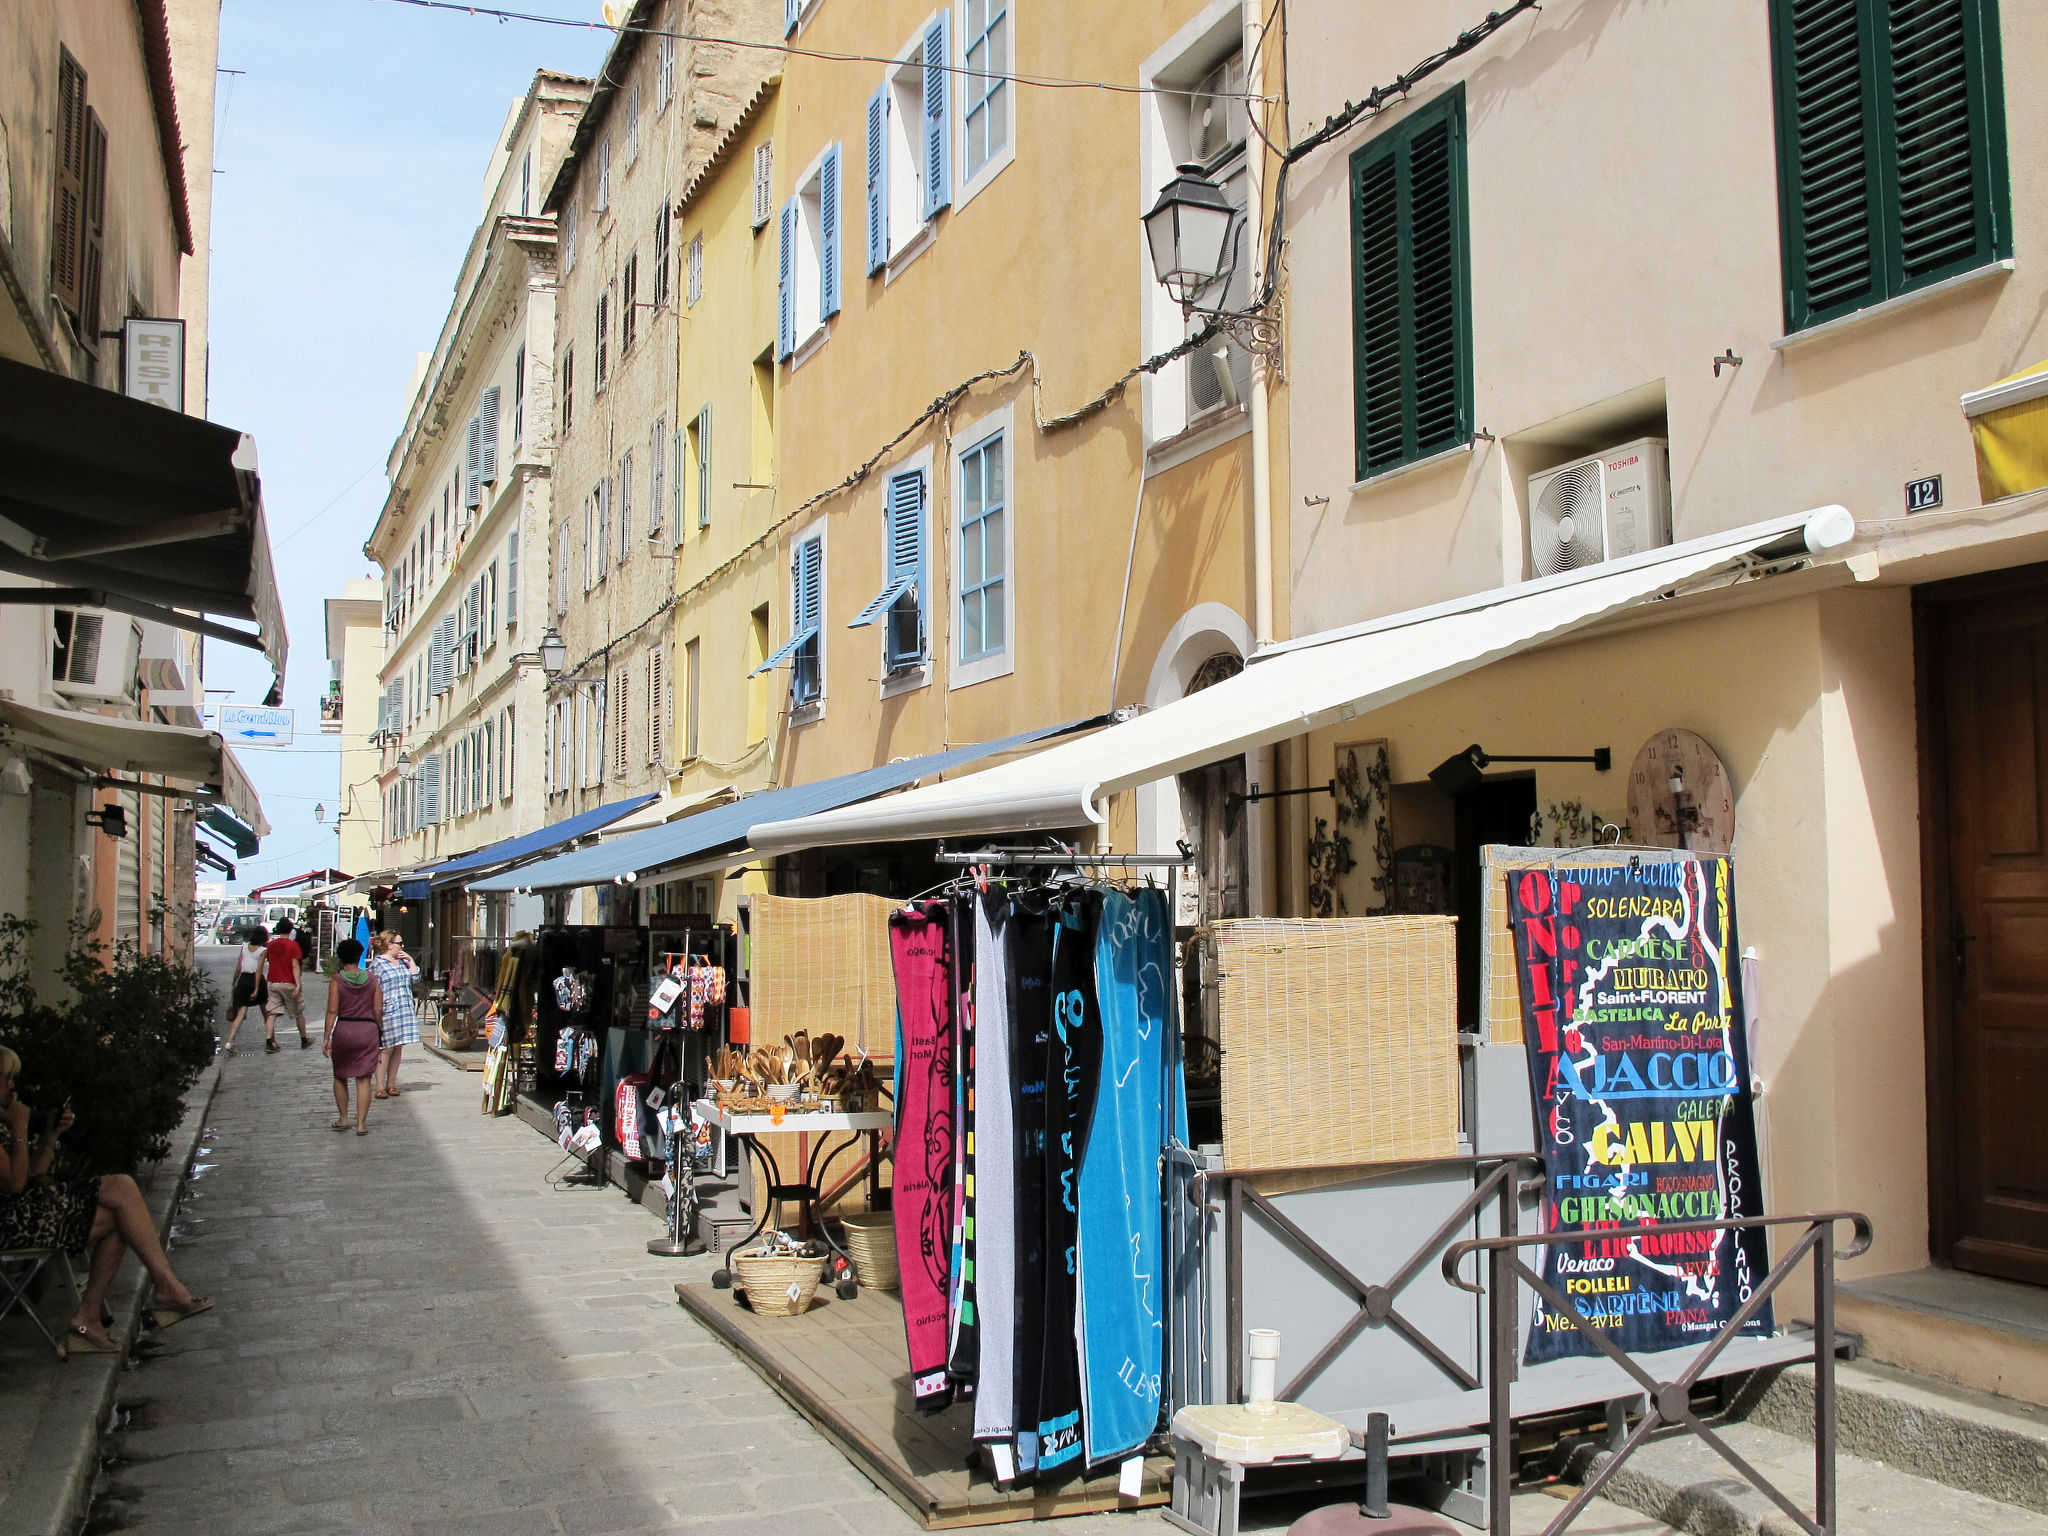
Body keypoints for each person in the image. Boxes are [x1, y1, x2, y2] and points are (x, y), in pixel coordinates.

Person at [0, 1045, 211, 1354]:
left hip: (24, 1212)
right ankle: (158, 1290)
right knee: (122, 1200)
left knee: (122, 1206)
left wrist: (49, 1137)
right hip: (10, 1224)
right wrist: (19, 1130)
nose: (12, 1086)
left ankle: (97, 1313)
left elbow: (33, 1174)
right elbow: (15, 1184)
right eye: (6, 1078)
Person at [324, 939, 383, 1134]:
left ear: (341, 958)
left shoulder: (337, 980)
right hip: (367, 1031)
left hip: (345, 1030)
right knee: (364, 1079)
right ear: (360, 956)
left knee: (340, 1075)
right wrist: (378, 1027)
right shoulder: (372, 979)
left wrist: (326, 1037)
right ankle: (361, 1125)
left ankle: (343, 1119)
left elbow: (332, 1011)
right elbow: (378, 1009)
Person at [368, 932, 421, 1099]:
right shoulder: (378, 964)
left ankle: (391, 1084)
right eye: (400, 943)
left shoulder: (403, 962)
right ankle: (379, 1086)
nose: (402, 946)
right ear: (389, 945)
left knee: (398, 1047)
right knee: (386, 1048)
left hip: (404, 1008)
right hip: (388, 1010)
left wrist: (411, 960)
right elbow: (372, 988)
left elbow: (415, 979)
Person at [260, 918, 310, 1052]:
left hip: (274, 982)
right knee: (298, 1012)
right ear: (290, 930)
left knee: (272, 1012)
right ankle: (304, 1039)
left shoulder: (270, 945)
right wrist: (298, 984)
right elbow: (295, 965)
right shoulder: (293, 945)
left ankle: (269, 1041)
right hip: (289, 982)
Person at [221, 928, 269, 1056]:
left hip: (243, 980)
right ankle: (271, 1041)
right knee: (266, 1013)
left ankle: (230, 1041)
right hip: (256, 981)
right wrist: (256, 988)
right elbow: (259, 970)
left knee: (240, 1014)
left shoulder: (244, 947)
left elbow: (238, 967)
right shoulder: (263, 950)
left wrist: (234, 981)